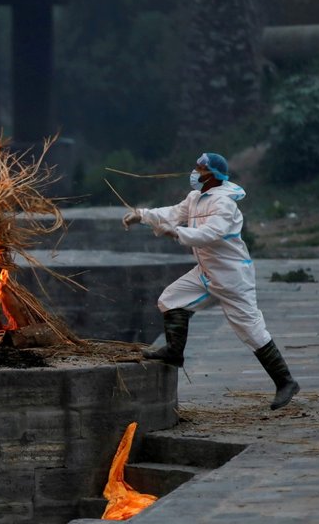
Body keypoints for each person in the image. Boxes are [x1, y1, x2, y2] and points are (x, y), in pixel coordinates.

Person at [121, 152, 300, 410]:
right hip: (205, 271)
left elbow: (210, 234)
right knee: (170, 299)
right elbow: (172, 213)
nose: (194, 172)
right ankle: (174, 352)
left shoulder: (225, 204)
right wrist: (142, 215)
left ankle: (286, 382)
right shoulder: (195, 198)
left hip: (231, 276)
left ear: (212, 175)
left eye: (199, 168)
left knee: (251, 329)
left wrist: (177, 232)